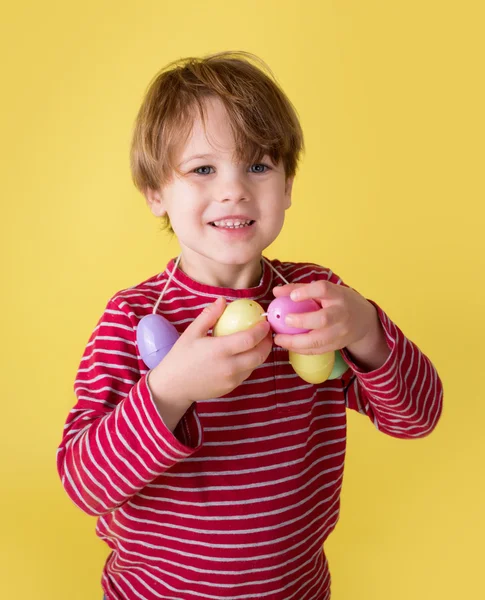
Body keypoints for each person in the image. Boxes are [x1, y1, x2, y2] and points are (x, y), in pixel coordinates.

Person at [57, 51, 443, 600]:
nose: (235, 189)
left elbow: (418, 417)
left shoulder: (317, 302)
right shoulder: (133, 318)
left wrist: (365, 328)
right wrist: (170, 392)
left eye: (258, 165)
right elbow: (85, 484)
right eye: (203, 169)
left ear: (287, 187)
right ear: (154, 193)